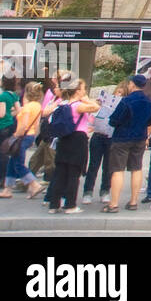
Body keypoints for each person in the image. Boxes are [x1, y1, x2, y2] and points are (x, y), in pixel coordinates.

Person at [46, 79, 99, 214]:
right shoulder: (77, 106)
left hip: (63, 139)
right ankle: (70, 205)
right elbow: (96, 107)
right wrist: (86, 99)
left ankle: (54, 204)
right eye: (83, 89)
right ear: (77, 91)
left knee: (60, 172)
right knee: (73, 173)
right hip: (78, 139)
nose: (84, 91)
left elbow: (46, 113)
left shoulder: (62, 105)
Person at [104, 75, 151, 213]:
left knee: (117, 170)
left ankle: (113, 204)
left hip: (122, 138)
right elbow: (150, 121)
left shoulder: (126, 101)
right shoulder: (149, 102)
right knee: (136, 168)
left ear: (132, 84)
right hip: (140, 137)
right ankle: (133, 201)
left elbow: (114, 120)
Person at [0, 81, 44, 200]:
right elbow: (37, 124)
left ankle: (34, 184)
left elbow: (23, 125)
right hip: (30, 135)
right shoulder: (38, 106)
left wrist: (15, 136)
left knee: (18, 163)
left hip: (22, 136)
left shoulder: (27, 108)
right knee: (12, 162)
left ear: (26, 93)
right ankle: (7, 189)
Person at [81, 83, 120, 205]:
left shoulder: (121, 106)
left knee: (108, 166)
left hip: (111, 138)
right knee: (93, 165)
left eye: (122, 94)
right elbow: (91, 120)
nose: (119, 95)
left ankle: (105, 191)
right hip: (98, 136)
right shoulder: (101, 104)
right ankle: (87, 191)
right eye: (118, 93)